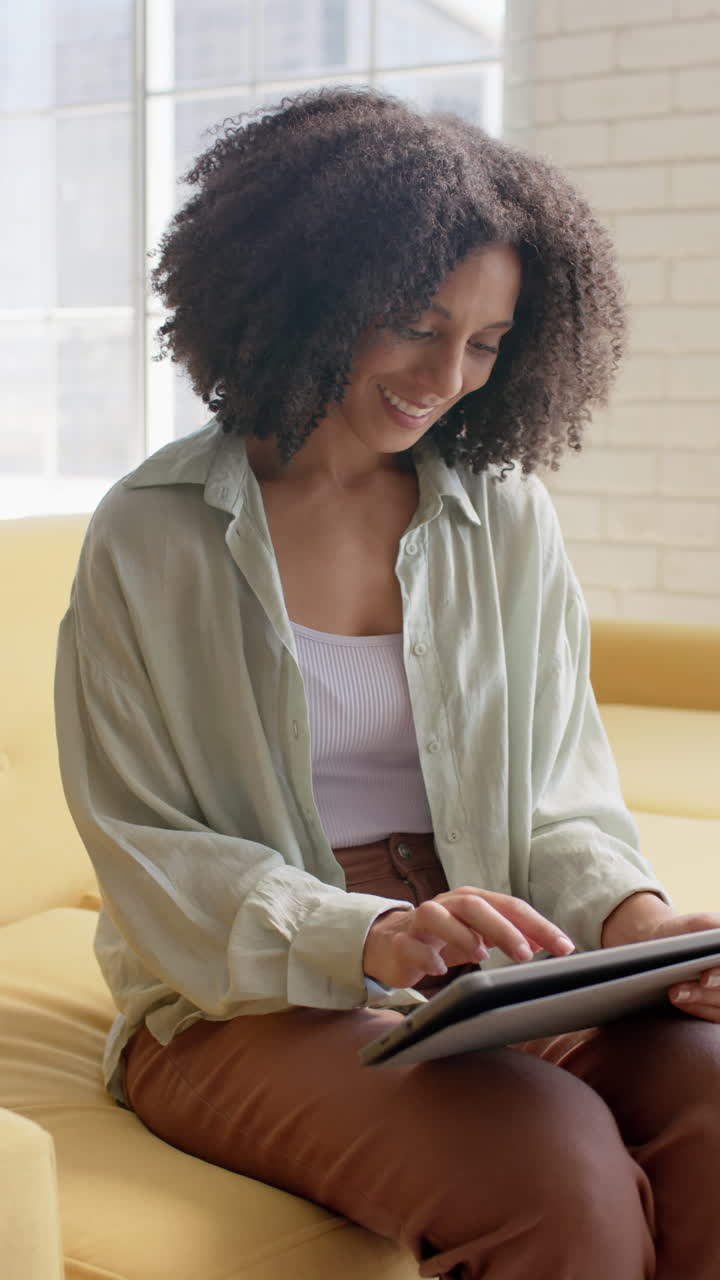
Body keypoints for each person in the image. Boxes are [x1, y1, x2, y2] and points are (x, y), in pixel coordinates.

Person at [54, 85, 720, 1279]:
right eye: (416, 322)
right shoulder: (149, 536)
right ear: (313, 294)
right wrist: (370, 934)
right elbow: (147, 847)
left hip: (493, 946)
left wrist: (638, 925)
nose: (447, 374)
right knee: (548, 1169)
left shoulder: (507, 517)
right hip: (238, 986)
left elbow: (563, 788)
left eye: (487, 340)